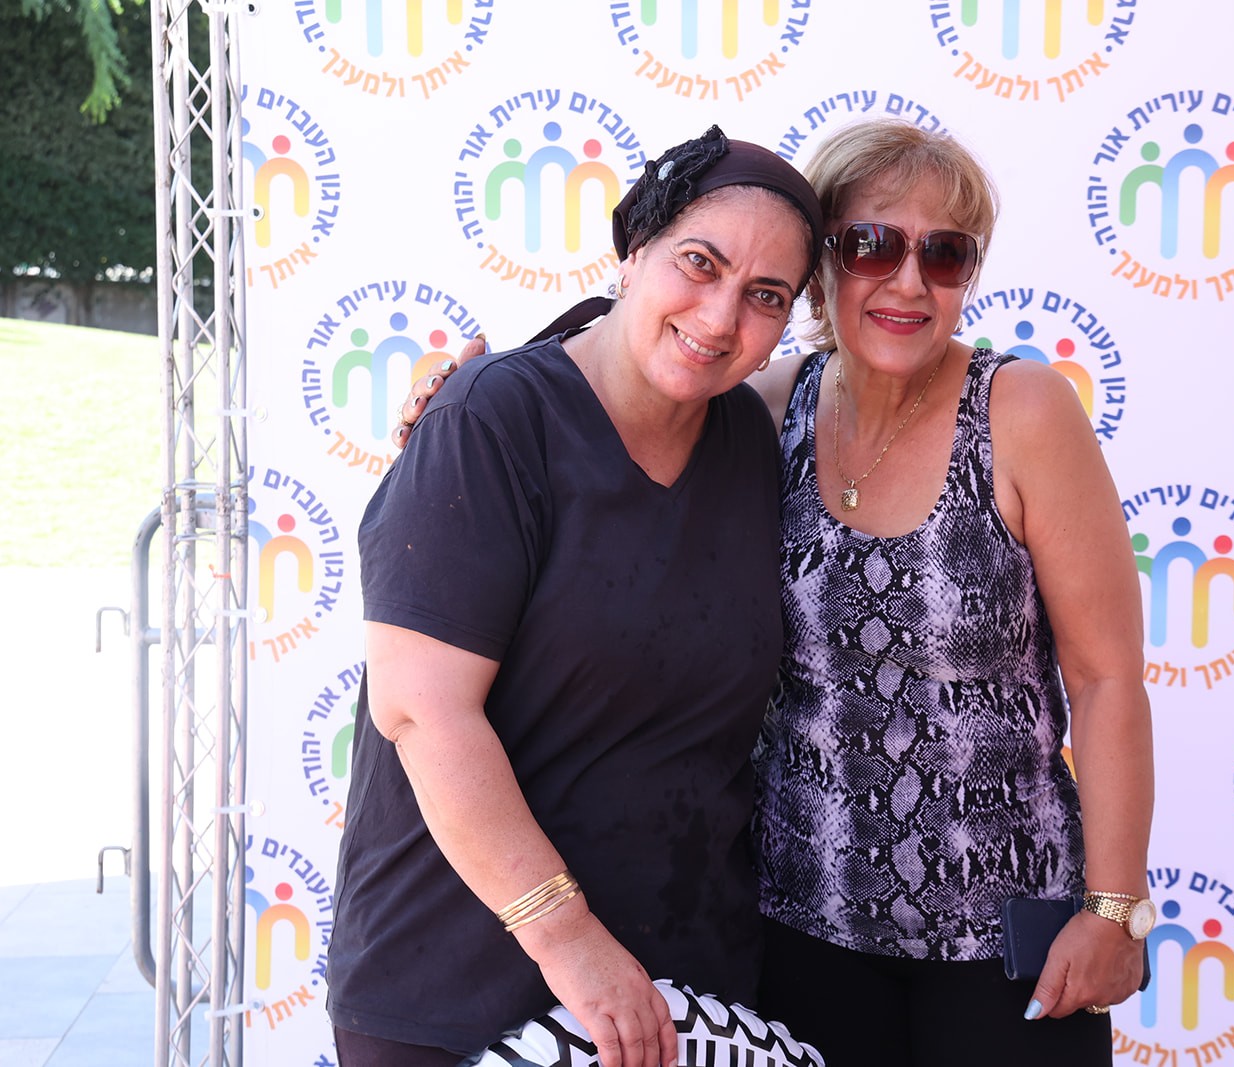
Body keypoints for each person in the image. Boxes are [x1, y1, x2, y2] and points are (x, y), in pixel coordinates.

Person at [400, 118, 1154, 1067]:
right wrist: (463, 400)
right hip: (799, 928)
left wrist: (1115, 907)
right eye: (871, 245)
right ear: (821, 268)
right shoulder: (762, 409)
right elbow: (627, 377)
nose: (908, 281)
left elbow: (1106, 675)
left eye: (945, 255)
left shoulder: (1024, 411)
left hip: (1005, 940)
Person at [327, 126, 826, 1067]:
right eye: (699, 262)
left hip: (684, 995)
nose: (722, 316)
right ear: (632, 250)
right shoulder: (491, 418)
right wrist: (569, 942)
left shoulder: (752, 439)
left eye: (767, 295)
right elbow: (423, 710)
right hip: (461, 983)